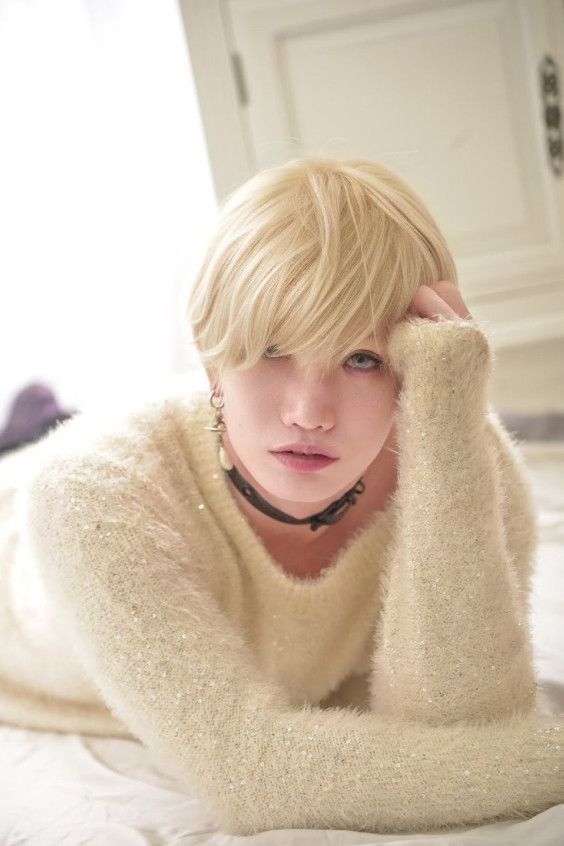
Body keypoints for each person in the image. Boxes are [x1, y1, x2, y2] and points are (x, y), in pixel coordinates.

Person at [1, 156, 563, 835]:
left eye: (362, 358)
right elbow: (252, 775)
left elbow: (468, 724)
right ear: (211, 360)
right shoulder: (89, 497)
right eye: (273, 349)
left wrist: (447, 417)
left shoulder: (460, 452)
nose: (308, 412)